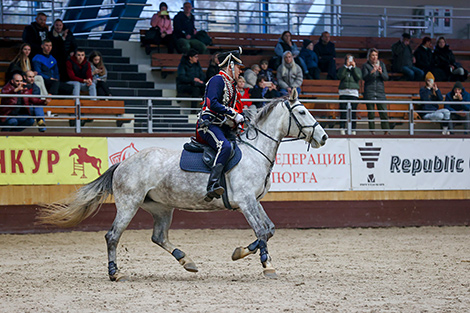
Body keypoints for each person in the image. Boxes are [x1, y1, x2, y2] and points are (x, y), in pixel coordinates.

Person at [195, 48, 245, 202]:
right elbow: (212, 103)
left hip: (222, 126)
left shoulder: (232, 86)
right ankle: (212, 184)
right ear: (230, 66)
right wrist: (233, 114)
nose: (239, 72)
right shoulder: (217, 80)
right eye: (238, 68)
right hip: (208, 125)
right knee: (225, 146)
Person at [362, 48, 391, 134]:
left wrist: (381, 72)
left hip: (380, 91)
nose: (374, 57)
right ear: (369, 57)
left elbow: (386, 77)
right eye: (372, 55)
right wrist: (372, 72)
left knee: (383, 112)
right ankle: (372, 131)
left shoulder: (381, 64)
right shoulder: (365, 65)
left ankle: (386, 130)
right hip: (369, 91)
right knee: (371, 113)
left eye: (376, 55)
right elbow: (364, 78)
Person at [337, 54, 362, 135]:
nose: (350, 61)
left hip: (353, 93)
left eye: (351, 59)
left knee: (353, 112)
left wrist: (354, 68)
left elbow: (358, 77)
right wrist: (345, 67)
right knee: (343, 111)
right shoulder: (342, 69)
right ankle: (342, 128)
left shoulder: (357, 69)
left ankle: (353, 129)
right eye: (348, 59)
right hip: (344, 92)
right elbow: (340, 76)